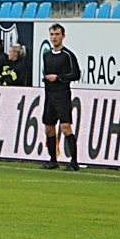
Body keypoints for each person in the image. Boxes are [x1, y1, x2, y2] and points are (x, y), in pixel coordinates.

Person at [41, 23, 81, 172]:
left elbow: (76, 74)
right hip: (49, 95)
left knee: (65, 127)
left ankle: (74, 161)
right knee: (48, 128)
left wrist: (58, 78)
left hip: (62, 94)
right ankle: (53, 160)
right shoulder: (47, 55)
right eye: (52, 34)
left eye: (57, 34)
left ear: (63, 36)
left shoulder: (68, 55)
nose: (54, 37)